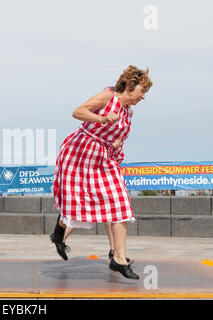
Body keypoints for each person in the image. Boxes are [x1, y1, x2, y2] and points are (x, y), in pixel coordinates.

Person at [50, 65, 152, 280]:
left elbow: (119, 135)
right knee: (77, 202)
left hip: (104, 157)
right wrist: (102, 119)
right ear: (128, 85)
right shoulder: (108, 97)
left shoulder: (128, 112)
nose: (143, 97)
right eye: (141, 91)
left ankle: (119, 259)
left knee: (120, 203)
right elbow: (78, 111)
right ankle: (59, 233)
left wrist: (115, 143)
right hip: (80, 152)